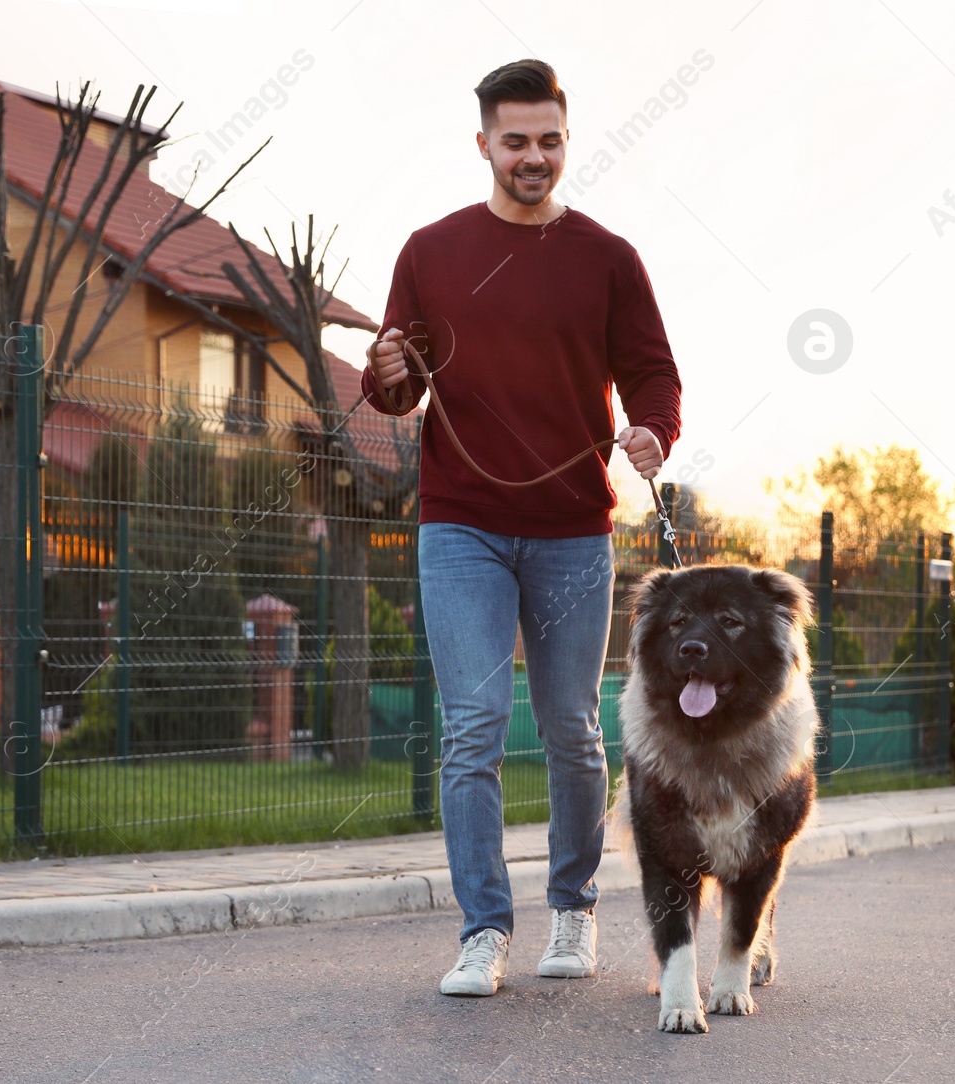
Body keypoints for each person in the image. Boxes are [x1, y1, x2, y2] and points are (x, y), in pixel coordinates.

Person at [360, 58, 682, 997]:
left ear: (565, 140)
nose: (533, 157)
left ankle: (575, 911)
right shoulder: (430, 251)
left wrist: (652, 430)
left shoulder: (609, 258)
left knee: (574, 728)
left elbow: (653, 370)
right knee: (472, 729)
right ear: (485, 145)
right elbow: (401, 389)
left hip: (574, 528)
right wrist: (384, 369)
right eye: (516, 142)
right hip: (459, 522)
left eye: (548, 140)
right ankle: (483, 931)